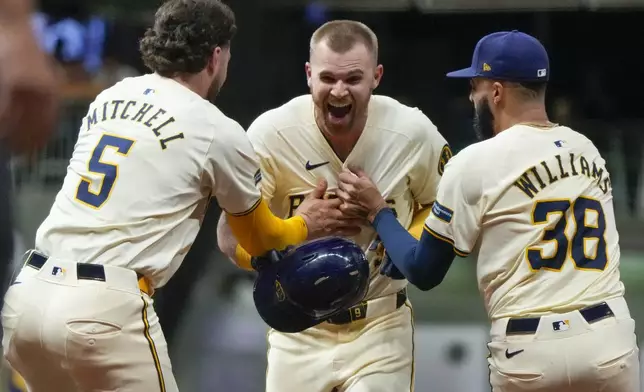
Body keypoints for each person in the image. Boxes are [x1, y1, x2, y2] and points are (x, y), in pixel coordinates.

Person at [0, 1, 359, 391]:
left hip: (29, 297)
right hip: (102, 309)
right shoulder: (215, 130)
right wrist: (305, 223)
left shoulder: (111, 95)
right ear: (216, 56)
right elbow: (259, 239)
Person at [337, 30, 640, 392]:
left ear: (495, 92)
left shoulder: (475, 162)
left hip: (530, 350)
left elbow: (423, 269)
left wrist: (377, 212)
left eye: (475, 86)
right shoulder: (586, 149)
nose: (471, 96)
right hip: (608, 341)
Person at [217, 20, 450, 392]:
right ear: (309, 75)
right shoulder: (270, 135)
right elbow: (228, 236)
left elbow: (442, 204)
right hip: (298, 326)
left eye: (353, 79)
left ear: (376, 76)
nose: (339, 90)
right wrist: (288, 233)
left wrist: (409, 238)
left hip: (380, 323)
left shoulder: (412, 132)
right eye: (328, 78)